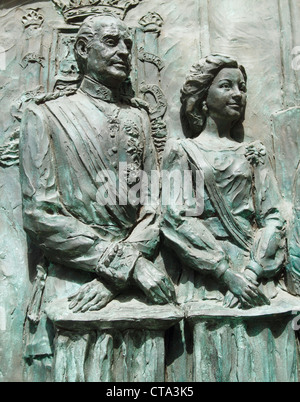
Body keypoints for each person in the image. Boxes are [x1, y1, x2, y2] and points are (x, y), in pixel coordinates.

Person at [19, 14, 175, 376]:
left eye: (128, 45)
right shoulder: (46, 116)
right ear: (82, 50)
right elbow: (40, 215)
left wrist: (117, 274)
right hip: (73, 285)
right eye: (111, 42)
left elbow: (154, 206)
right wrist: (128, 265)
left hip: (138, 290)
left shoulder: (138, 118)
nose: (123, 52)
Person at [161, 54, 286, 309]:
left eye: (242, 87)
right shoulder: (182, 151)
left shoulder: (254, 152)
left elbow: (273, 216)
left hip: (253, 274)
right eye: (226, 86)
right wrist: (225, 274)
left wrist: (252, 272)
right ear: (203, 98)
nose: (238, 94)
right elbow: (174, 217)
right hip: (205, 277)